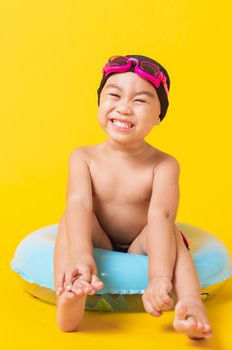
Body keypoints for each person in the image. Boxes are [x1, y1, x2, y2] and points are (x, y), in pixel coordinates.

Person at [53, 55, 212, 340]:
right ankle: (70, 295)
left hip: (141, 242)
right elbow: (79, 202)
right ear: (100, 102)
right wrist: (81, 253)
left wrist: (159, 278)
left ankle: (191, 306)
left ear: (159, 116)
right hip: (99, 238)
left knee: (170, 234)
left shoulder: (163, 165)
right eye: (114, 95)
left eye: (140, 101)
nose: (124, 108)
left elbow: (161, 215)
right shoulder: (83, 157)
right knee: (71, 218)